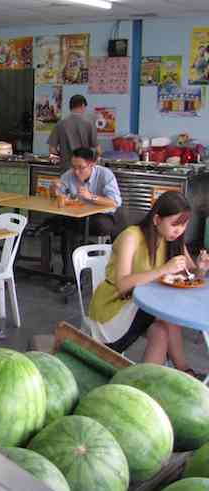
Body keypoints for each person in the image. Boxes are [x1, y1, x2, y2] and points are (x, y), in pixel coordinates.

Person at [87, 192, 209, 376]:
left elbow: (189, 278)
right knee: (167, 313)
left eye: (184, 225)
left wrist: (201, 269)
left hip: (146, 306)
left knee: (161, 330)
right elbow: (122, 284)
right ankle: (185, 370)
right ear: (157, 219)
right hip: (114, 306)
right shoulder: (132, 236)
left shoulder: (173, 240)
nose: (179, 230)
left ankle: (146, 385)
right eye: (174, 224)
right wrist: (163, 270)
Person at [44, 147, 122, 274]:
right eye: (74, 167)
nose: (76, 171)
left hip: (101, 217)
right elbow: (58, 194)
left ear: (92, 164)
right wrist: (54, 189)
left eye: (81, 167)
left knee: (69, 227)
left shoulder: (105, 175)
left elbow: (115, 202)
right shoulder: (70, 174)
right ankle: (69, 275)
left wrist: (91, 196)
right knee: (63, 226)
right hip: (77, 216)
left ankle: (81, 269)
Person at [48, 94, 99, 169]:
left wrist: (59, 158)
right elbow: (97, 149)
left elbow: (52, 149)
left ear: (70, 107)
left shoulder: (60, 124)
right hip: (84, 169)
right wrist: (94, 161)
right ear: (82, 105)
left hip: (66, 168)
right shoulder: (89, 124)